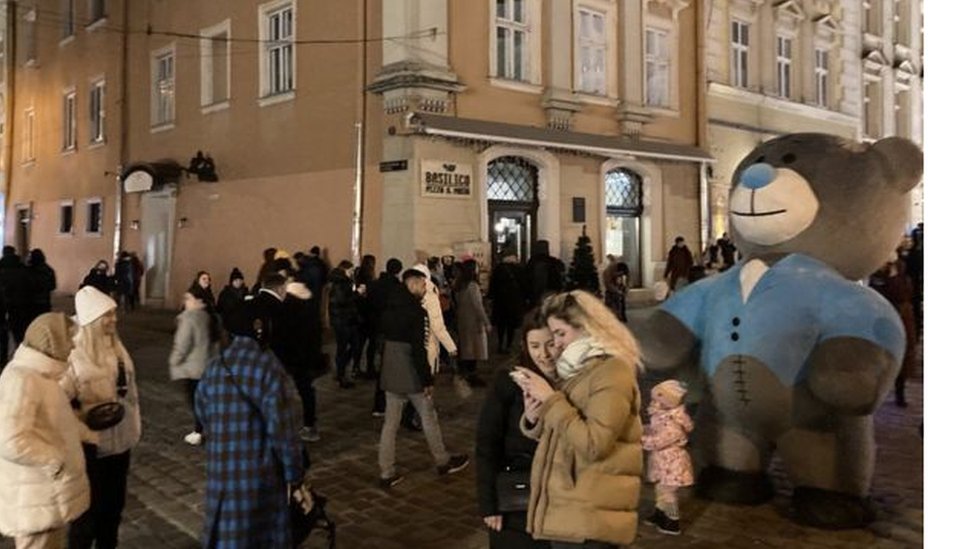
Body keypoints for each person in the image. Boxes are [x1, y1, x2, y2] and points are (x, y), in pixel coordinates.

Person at [512, 290, 643, 549]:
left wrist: (551, 400)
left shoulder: (612, 372)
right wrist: (535, 418)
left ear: (585, 327)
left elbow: (594, 443)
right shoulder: (581, 368)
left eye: (561, 334)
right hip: (574, 507)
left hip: (592, 511)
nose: (557, 344)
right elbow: (568, 430)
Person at [195, 299, 305, 548]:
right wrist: (294, 473)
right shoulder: (268, 367)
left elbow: (202, 412)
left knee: (227, 534)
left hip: (221, 469)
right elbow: (283, 430)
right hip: (258, 474)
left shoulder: (214, 367)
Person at [0, 313, 92, 549]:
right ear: (52, 342)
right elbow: (10, 439)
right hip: (34, 497)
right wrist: (54, 460)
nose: (73, 345)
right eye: (69, 339)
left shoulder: (43, 376)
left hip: (45, 495)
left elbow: (53, 422)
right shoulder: (22, 379)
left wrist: (85, 432)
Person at [62, 286, 142, 549]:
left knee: (113, 509)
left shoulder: (116, 347)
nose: (114, 320)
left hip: (120, 442)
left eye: (114, 313)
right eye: (107, 316)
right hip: (89, 447)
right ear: (92, 320)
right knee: (86, 515)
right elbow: (57, 403)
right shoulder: (73, 353)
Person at [377, 268, 469, 488]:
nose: (425, 288)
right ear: (413, 283)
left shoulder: (389, 306)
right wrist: (427, 380)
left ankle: (386, 471)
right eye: (422, 284)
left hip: (391, 368)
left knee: (390, 423)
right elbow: (419, 349)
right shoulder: (416, 312)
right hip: (410, 371)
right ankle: (442, 460)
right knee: (428, 416)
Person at [476, 309, 557, 549]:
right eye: (534, 346)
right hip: (517, 496)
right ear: (524, 345)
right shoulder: (510, 380)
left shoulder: (573, 380)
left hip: (561, 498)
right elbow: (487, 443)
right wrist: (489, 504)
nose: (543, 354)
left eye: (550, 344)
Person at [642, 380, 694, 536]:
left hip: (672, 463)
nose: (653, 403)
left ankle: (672, 520)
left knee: (668, 493)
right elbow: (655, 429)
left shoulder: (673, 423)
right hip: (663, 462)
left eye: (657, 400)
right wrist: (645, 430)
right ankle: (660, 514)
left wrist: (641, 439)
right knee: (661, 489)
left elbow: (659, 441)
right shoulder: (662, 416)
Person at [169, 286, 220, 446]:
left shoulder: (189, 318)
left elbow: (182, 343)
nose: (186, 302)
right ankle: (206, 430)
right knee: (206, 400)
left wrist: (174, 360)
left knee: (195, 401)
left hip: (193, 368)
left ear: (199, 301)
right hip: (209, 367)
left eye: (188, 299)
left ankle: (199, 431)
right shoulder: (211, 318)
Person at [869, 254, 917, 407]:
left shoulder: (901, 277)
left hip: (900, 319)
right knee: (880, 359)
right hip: (882, 321)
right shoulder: (876, 278)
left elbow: (902, 294)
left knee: (899, 358)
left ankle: (899, 392)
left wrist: (894, 275)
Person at [279, 279, 323, 442]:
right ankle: (310, 424)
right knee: (306, 391)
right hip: (307, 356)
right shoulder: (310, 308)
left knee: (285, 391)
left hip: (291, 356)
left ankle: (286, 424)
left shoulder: (288, 309)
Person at [367, 258, 404, 416]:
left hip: (377, 327)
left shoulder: (375, 284)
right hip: (391, 330)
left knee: (383, 366)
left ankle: (379, 404)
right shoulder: (397, 288)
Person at [455, 259, 491, 387]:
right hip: (473, 322)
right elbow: (478, 306)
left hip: (463, 320)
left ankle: (466, 373)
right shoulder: (472, 286)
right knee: (473, 350)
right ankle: (472, 376)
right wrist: (486, 322)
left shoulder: (460, 285)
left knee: (466, 349)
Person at [328, 260, 361, 388]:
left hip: (344, 319)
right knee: (347, 347)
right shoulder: (341, 282)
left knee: (350, 346)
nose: (352, 273)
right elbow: (342, 300)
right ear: (345, 270)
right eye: (351, 271)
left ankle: (341, 370)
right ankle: (341, 374)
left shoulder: (339, 282)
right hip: (343, 320)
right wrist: (357, 293)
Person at [487, 251, 527, 355]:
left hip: (500, 301)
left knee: (501, 325)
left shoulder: (498, 269)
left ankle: (500, 344)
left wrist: (491, 297)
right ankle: (508, 345)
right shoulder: (519, 269)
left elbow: (493, 284)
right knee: (511, 326)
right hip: (514, 301)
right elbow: (524, 285)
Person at [1, 247, 33, 352]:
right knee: (19, 331)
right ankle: (20, 351)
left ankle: (3, 357)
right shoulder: (22, 267)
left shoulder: (1, 267)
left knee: (2, 332)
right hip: (19, 303)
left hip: (3, 303)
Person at [355, 255, 379, 379]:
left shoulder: (358, 277)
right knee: (371, 343)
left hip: (362, 316)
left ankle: (357, 367)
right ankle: (369, 367)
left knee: (361, 343)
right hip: (369, 315)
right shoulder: (368, 280)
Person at [525, 241, 565, 307]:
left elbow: (527, 281)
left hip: (535, 296)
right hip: (551, 294)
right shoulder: (554, 262)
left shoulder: (531, 263)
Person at [27, 248, 57, 324]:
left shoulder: (29, 270)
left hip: (32, 302)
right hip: (44, 301)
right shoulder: (49, 270)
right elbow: (53, 286)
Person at [216, 268, 249, 334]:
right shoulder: (225, 294)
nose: (238, 282)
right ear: (232, 281)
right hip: (229, 323)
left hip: (243, 323)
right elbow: (221, 308)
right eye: (236, 280)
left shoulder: (245, 292)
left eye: (240, 280)